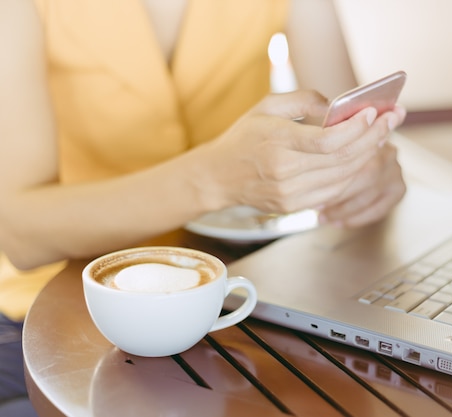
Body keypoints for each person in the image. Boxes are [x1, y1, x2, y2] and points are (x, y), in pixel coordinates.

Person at [0, 0, 406, 414]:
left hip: (238, 292)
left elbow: (351, 122)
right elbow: (19, 234)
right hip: (52, 311)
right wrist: (210, 179)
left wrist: (370, 168)